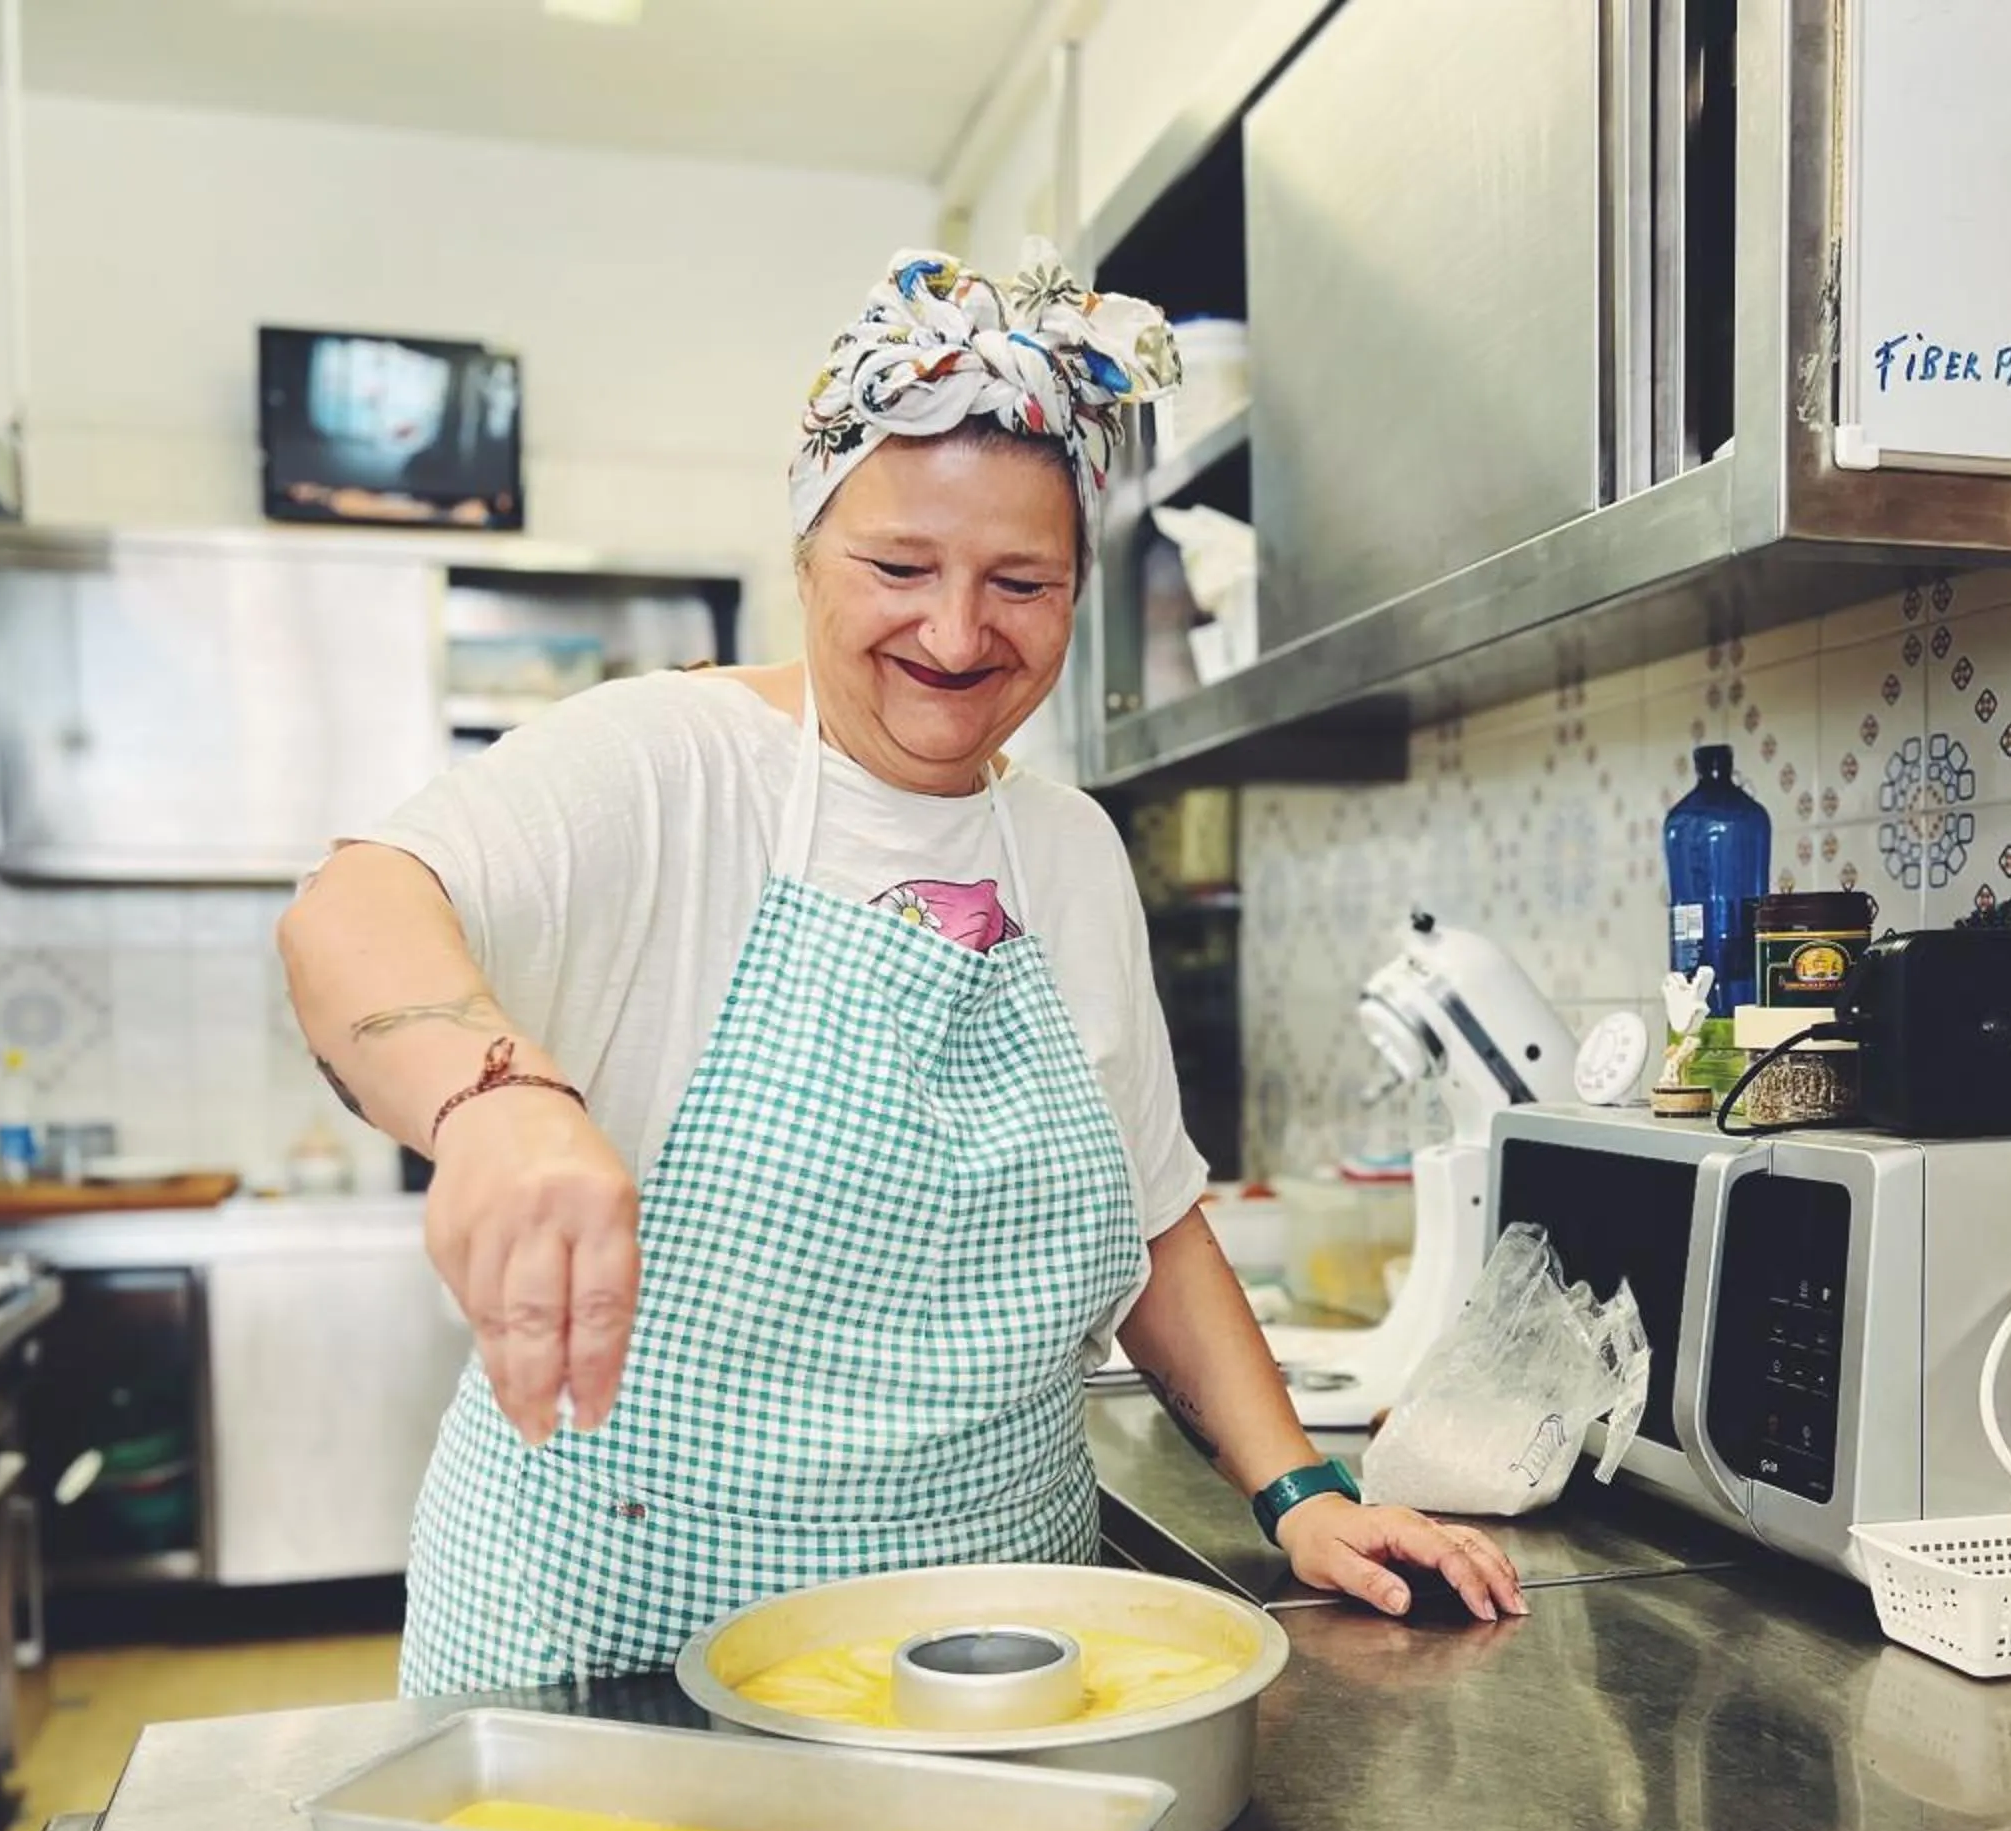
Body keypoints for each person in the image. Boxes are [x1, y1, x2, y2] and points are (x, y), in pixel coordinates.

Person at [279, 244, 1524, 1695]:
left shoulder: (1067, 851)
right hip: (612, 1665)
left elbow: (1156, 1221)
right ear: (804, 551)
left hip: (992, 1670)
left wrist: (1301, 1490)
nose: (954, 632)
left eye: (1021, 582)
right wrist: (494, 1102)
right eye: (896, 567)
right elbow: (351, 907)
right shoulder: (667, 765)